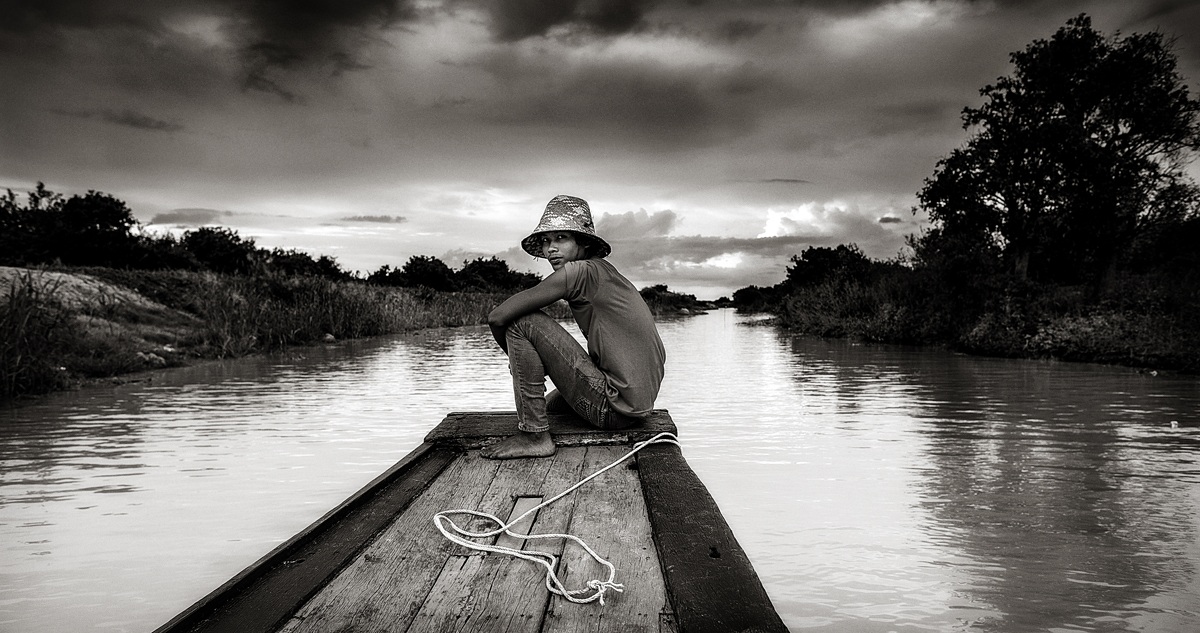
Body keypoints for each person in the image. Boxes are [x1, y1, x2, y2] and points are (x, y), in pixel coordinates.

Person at [483, 195, 666, 459]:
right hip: (634, 406)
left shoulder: (580, 272)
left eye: (561, 238)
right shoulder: (603, 272)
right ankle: (536, 426)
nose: (550, 249)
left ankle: (534, 436)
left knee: (522, 322)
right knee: (549, 407)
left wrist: (517, 361)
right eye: (546, 241)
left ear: (583, 243)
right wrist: (524, 364)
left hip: (614, 407)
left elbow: (498, 317)